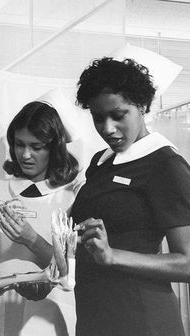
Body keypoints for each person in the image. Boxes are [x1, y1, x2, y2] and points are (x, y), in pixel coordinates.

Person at [70, 57, 190, 336]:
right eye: (98, 118)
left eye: (118, 115)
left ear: (142, 107)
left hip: (142, 319)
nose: (107, 128)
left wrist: (113, 256)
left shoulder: (166, 165)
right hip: (95, 314)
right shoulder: (102, 162)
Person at [0, 90, 82, 336]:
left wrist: (29, 239)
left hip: (46, 315)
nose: (25, 155)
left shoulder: (71, 195)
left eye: (36, 146)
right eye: (19, 144)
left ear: (55, 148)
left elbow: (71, 273)